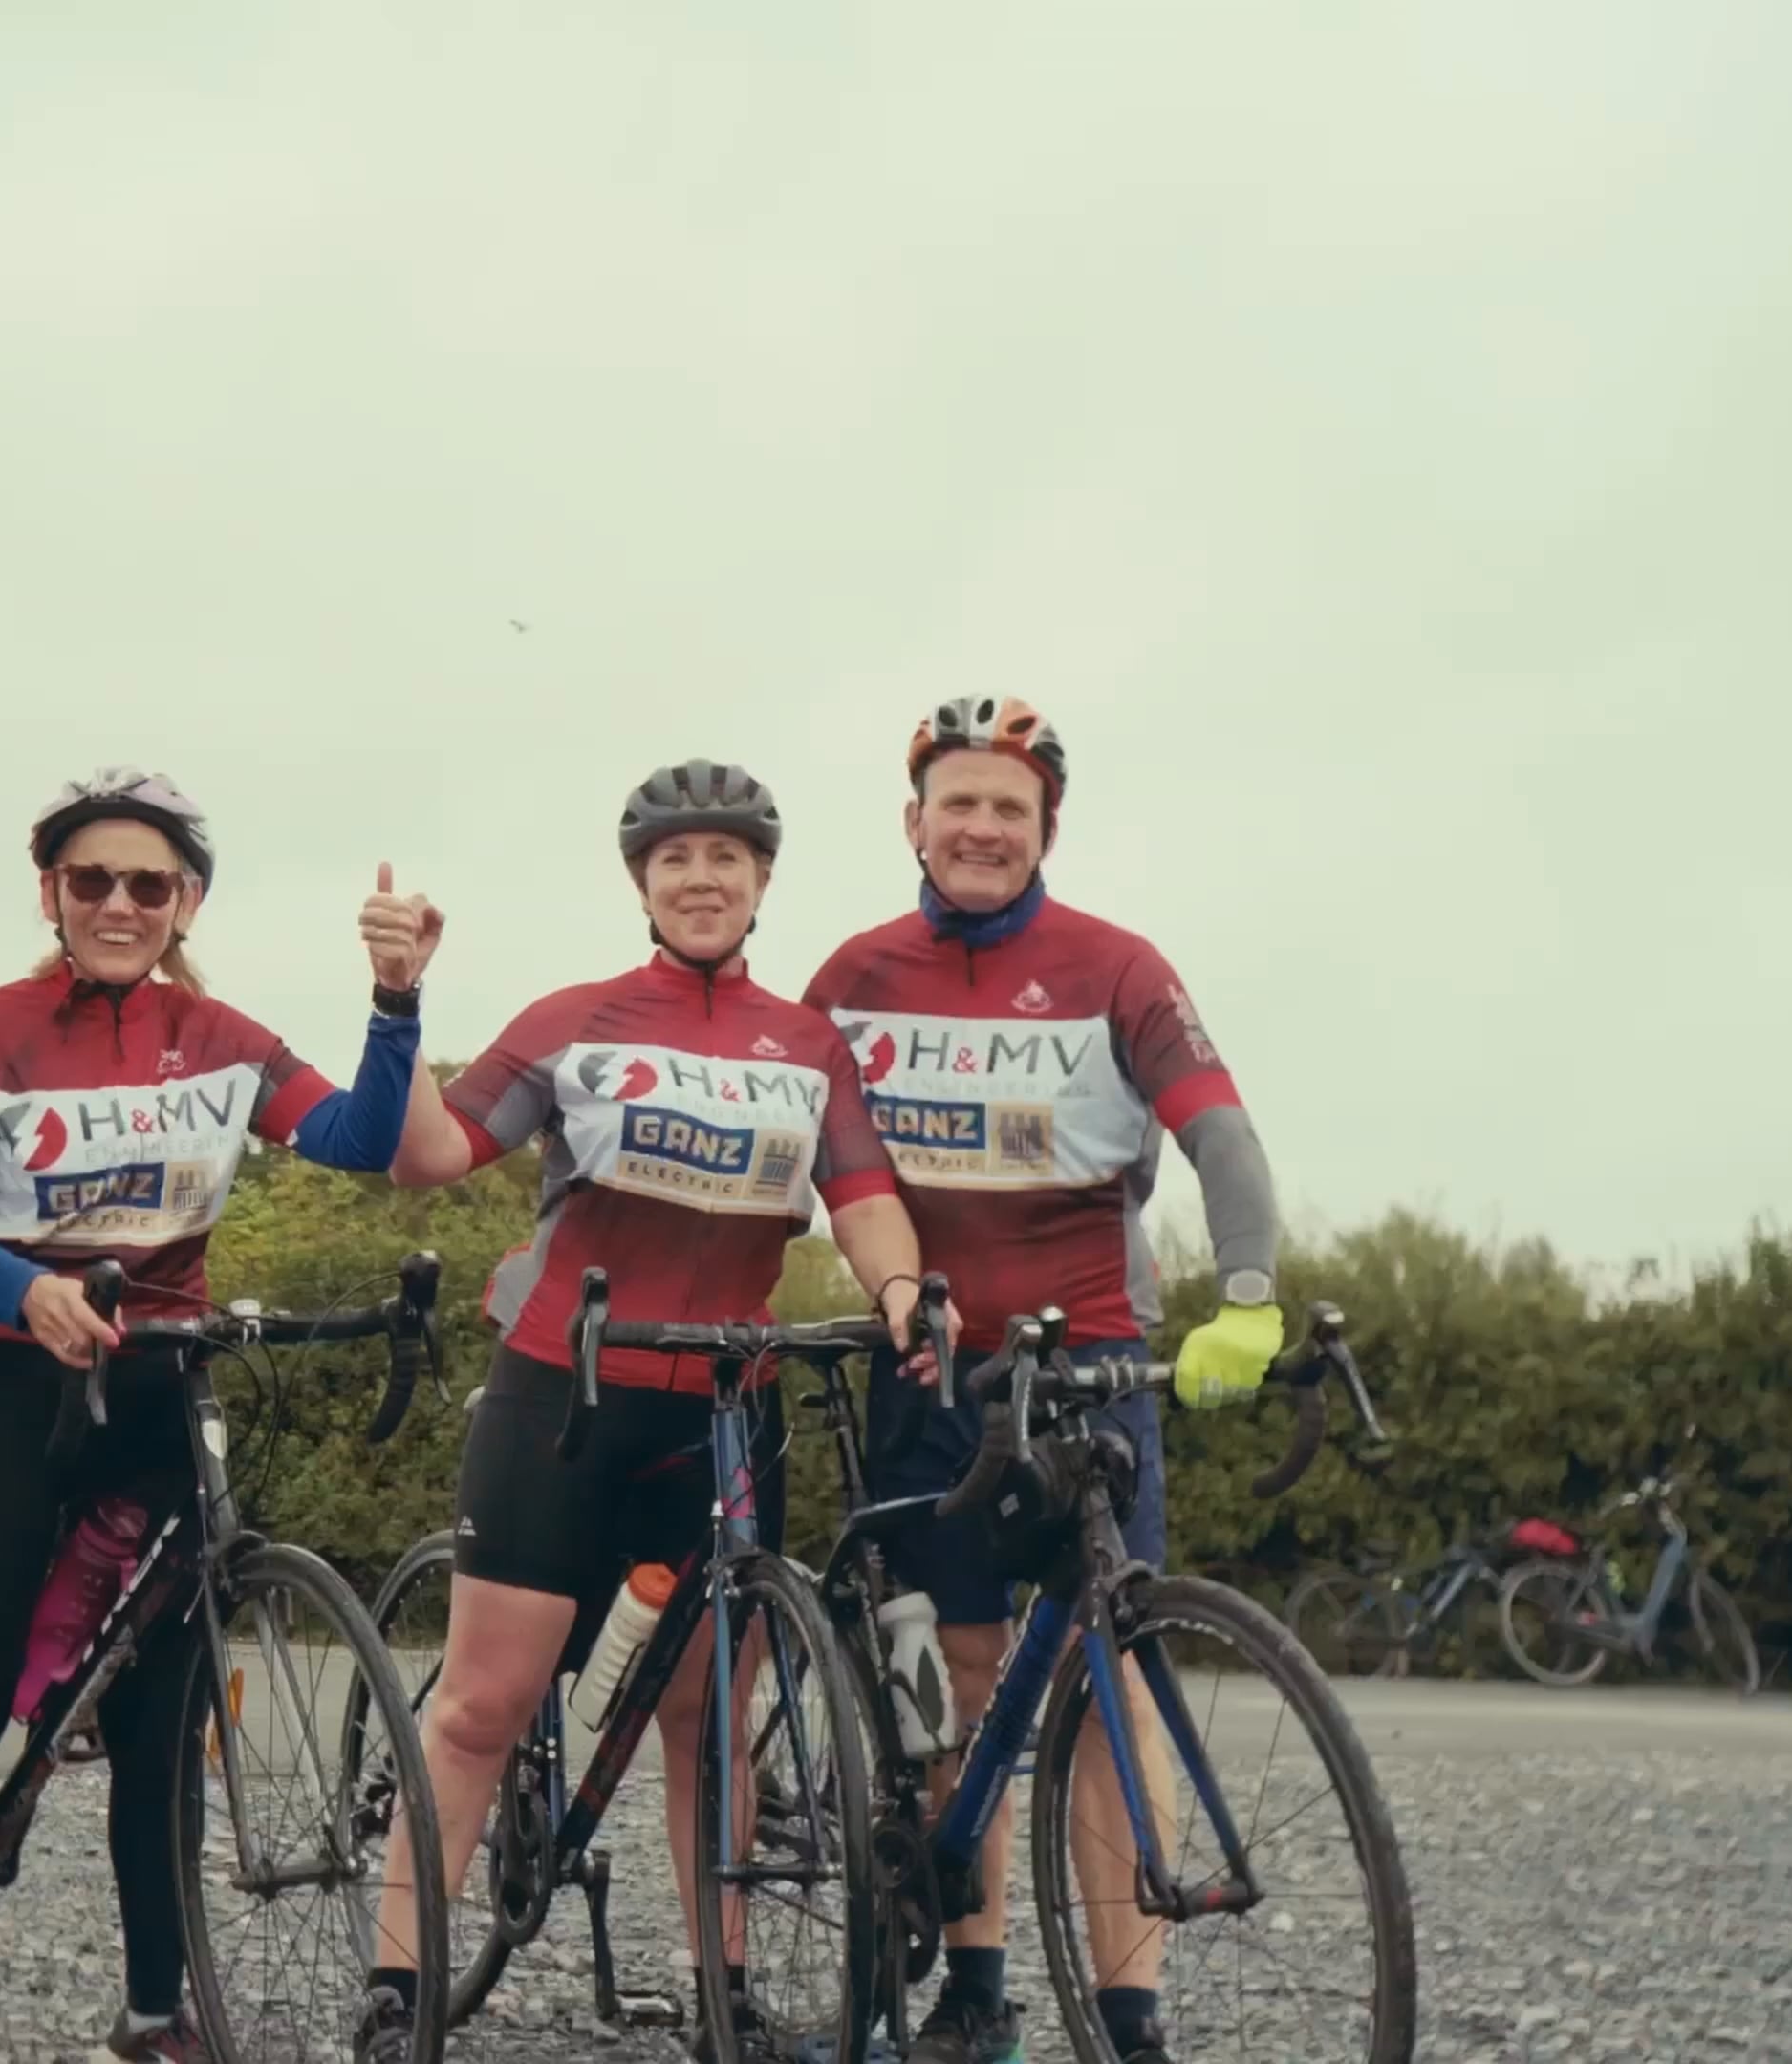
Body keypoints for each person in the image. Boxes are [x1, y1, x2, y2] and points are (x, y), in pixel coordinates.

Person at [0, 767, 448, 2064]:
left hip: (156, 1379)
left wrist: (395, 1000)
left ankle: (153, 2009)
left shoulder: (221, 1036)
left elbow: (355, 1138)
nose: (119, 903)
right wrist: (29, 1290)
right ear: (52, 895)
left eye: (148, 883)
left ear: (185, 902)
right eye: (92, 880)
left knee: (162, 1724)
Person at [360, 759, 939, 2064]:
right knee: (484, 1707)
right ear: (643, 882)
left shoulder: (808, 1047)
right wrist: (399, 1003)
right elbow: (428, 1156)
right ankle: (401, 1987)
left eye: (727, 857)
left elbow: (861, 1194)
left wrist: (902, 1290)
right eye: (677, 858)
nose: (702, 878)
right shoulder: (578, 1021)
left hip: (726, 1406)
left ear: (762, 880)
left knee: (708, 1722)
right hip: (565, 1392)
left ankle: (724, 1993)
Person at [797, 696, 1286, 2064]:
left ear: (1044, 830)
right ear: (915, 822)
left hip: (1091, 1369)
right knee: (960, 1679)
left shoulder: (1116, 967)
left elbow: (1224, 1138)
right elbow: (784, 1154)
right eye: (959, 802)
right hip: (928, 1370)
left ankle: (1129, 2016)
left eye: (1009, 808)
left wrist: (1249, 1293)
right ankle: (976, 1991)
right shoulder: (851, 976)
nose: (982, 827)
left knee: (1102, 1672)